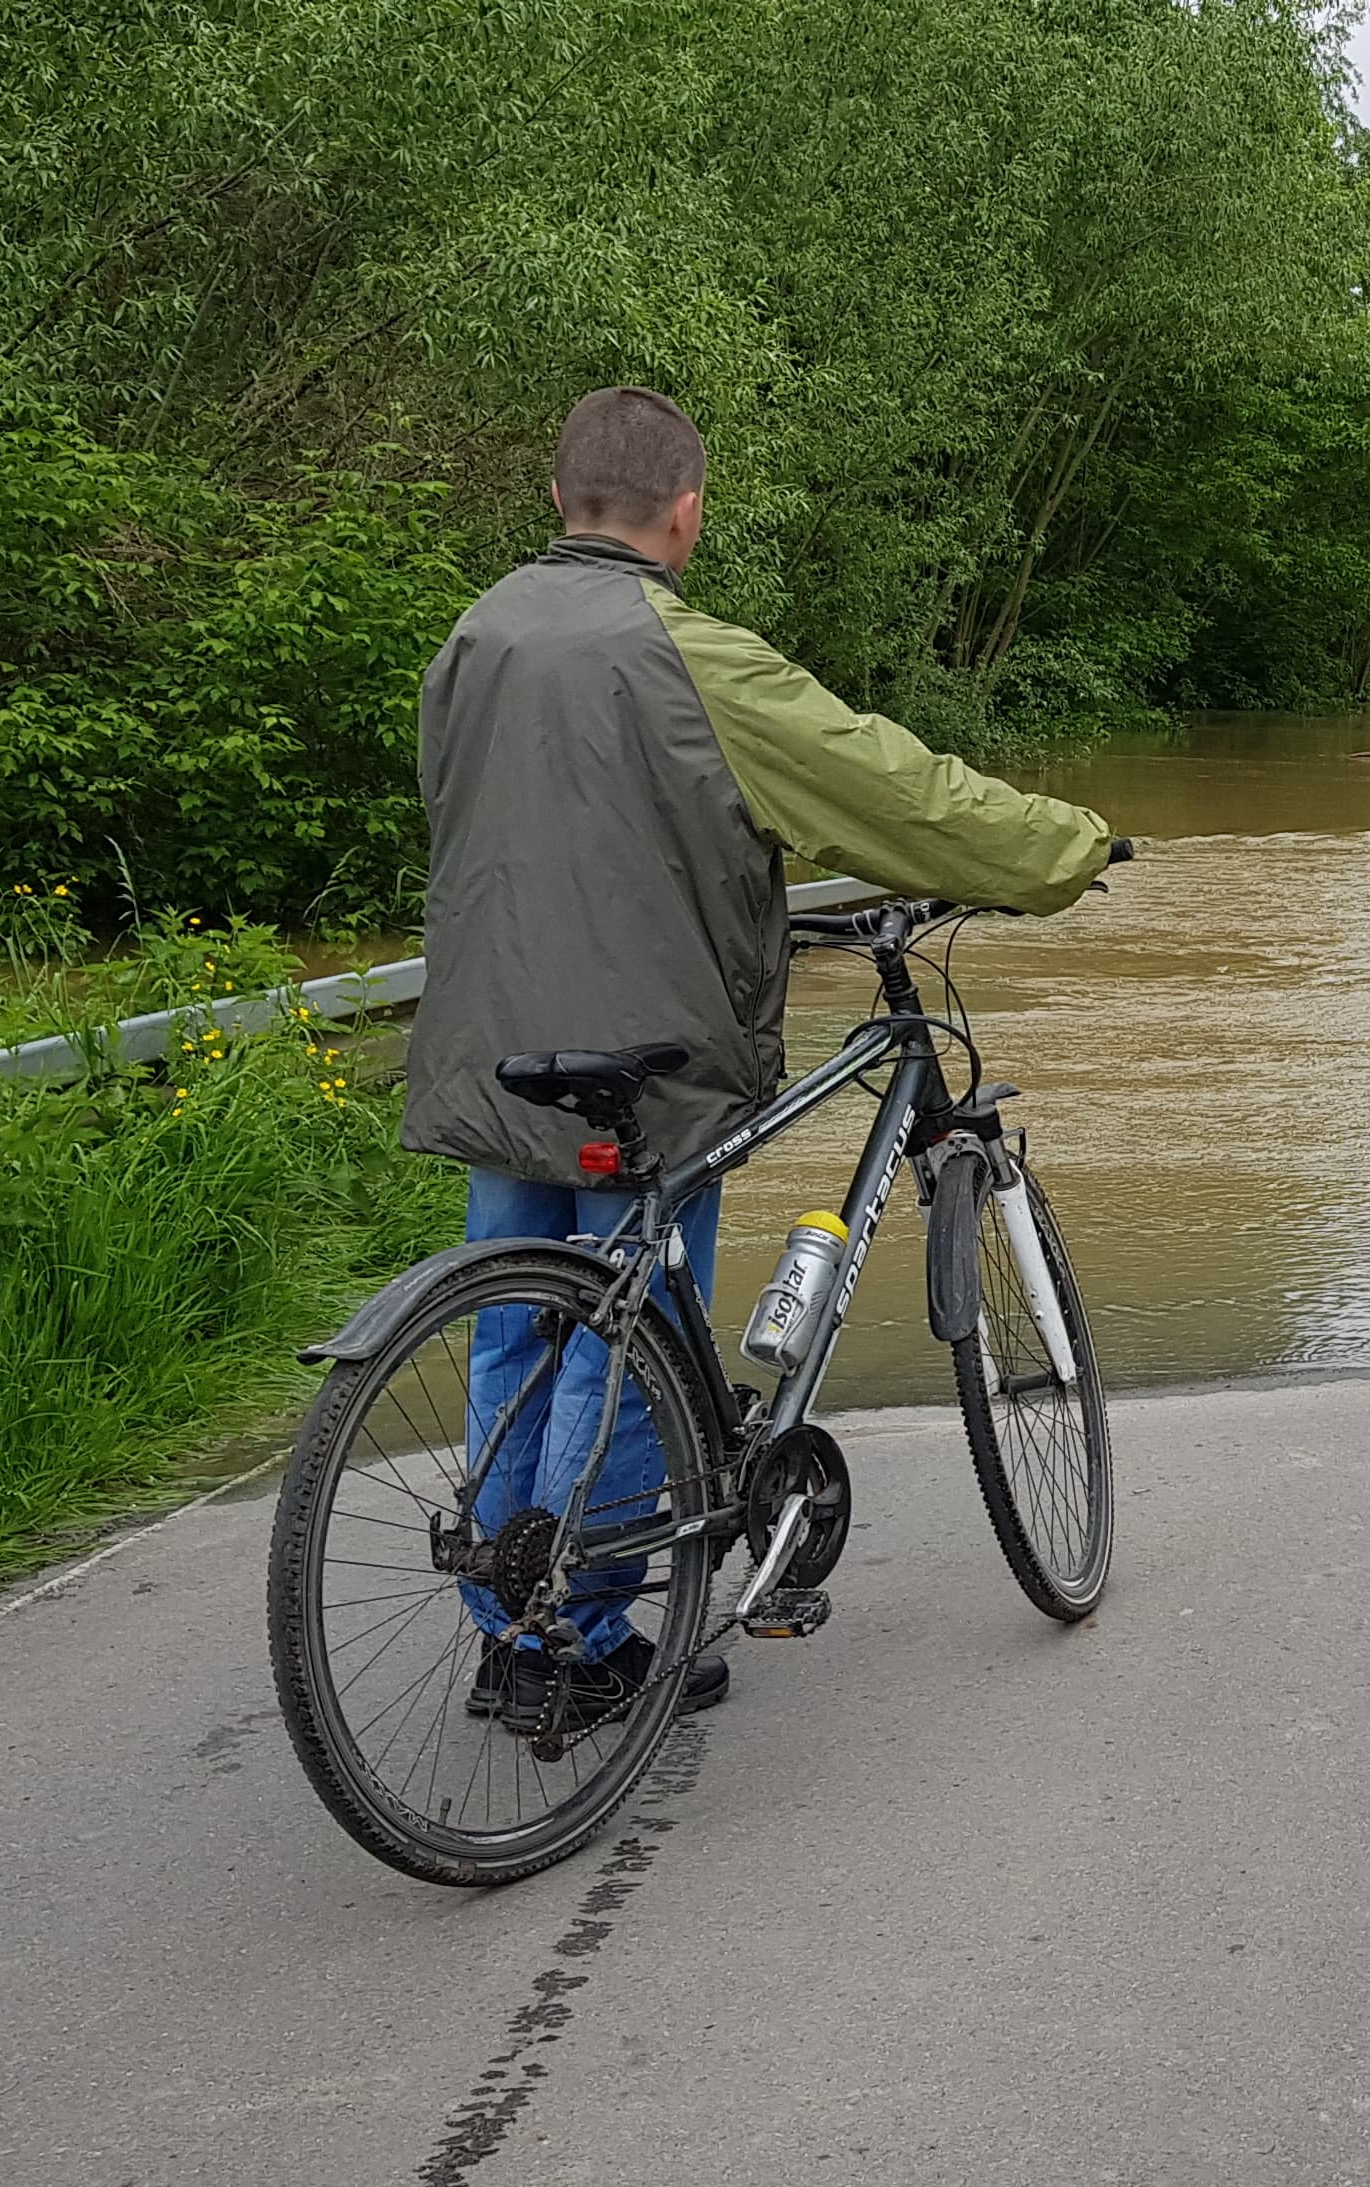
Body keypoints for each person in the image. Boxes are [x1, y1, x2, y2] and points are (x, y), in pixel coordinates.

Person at [404, 385, 1118, 1729]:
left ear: (559, 502)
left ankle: (507, 1619)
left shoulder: (476, 631)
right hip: (639, 1051)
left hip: (490, 1040)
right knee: (632, 1328)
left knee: (520, 1319)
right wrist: (1065, 849)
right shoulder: (689, 656)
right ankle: (584, 1637)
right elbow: (887, 788)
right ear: (687, 515)